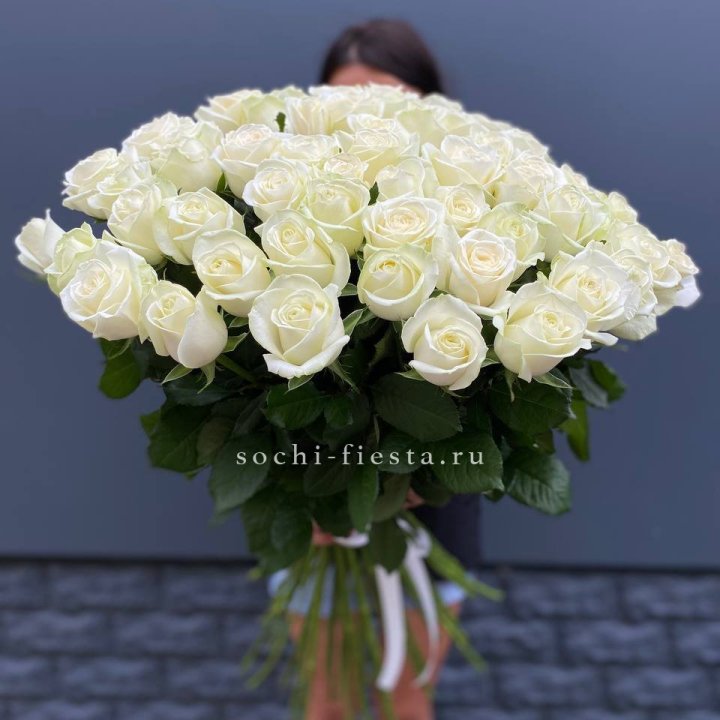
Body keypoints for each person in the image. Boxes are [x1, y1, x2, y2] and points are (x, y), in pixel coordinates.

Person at [277, 19, 482, 720]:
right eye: (344, 96)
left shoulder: (470, 196)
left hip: (432, 512)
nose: (364, 112)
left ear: (426, 99)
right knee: (326, 704)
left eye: (387, 94)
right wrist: (306, 486)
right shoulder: (282, 206)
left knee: (407, 702)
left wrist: (416, 479)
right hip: (312, 511)